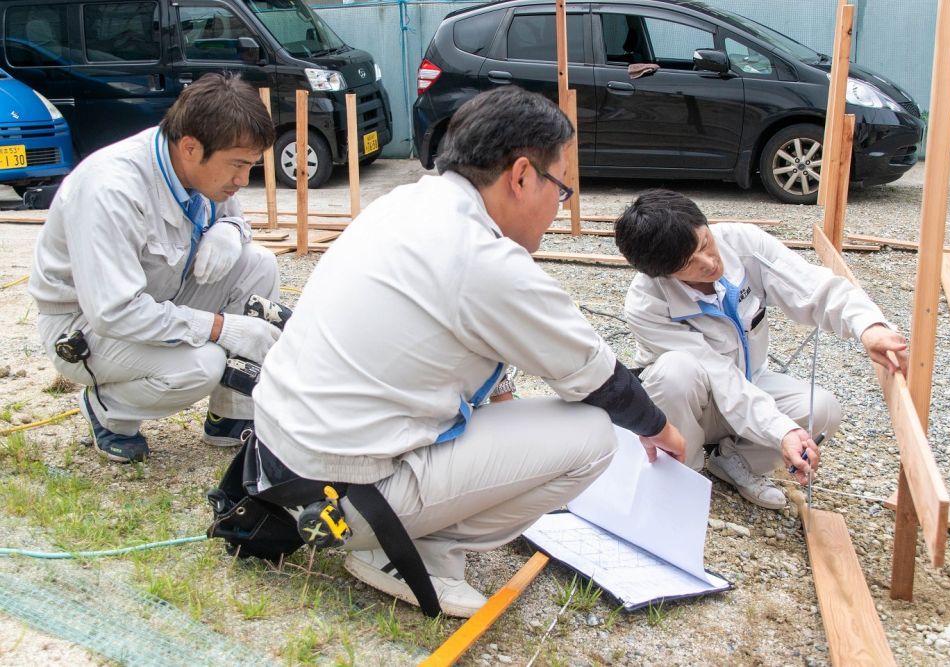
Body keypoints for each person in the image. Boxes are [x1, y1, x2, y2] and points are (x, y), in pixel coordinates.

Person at [246, 87, 686, 618]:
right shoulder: (484, 259)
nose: (559, 205)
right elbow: (600, 379)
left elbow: (447, 339)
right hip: (340, 498)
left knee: (510, 410)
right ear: (522, 176)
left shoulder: (405, 202)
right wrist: (662, 430)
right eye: (561, 187)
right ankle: (410, 552)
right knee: (591, 437)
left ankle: (404, 535)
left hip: (278, 460)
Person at [29, 73, 281, 464]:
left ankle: (230, 415)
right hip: (88, 327)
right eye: (237, 165)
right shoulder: (111, 191)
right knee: (203, 365)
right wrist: (222, 328)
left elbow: (233, 215)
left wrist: (230, 229)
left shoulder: (192, 162)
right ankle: (109, 411)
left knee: (258, 263)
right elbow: (115, 311)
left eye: (250, 166)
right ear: (191, 147)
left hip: (160, 294)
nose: (242, 180)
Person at [614, 189, 908, 510]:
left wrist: (869, 327)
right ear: (663, 274)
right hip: (690, 403)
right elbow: (720, 377)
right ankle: (684, 475)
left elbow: (811, 287)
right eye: (688, 264)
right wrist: (780, 431)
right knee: (677, 373)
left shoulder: (745, 243)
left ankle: (735, 461)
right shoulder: (648, 303)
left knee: (822, 410)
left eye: (704, 244)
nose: (709, 262)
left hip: (750, 381)